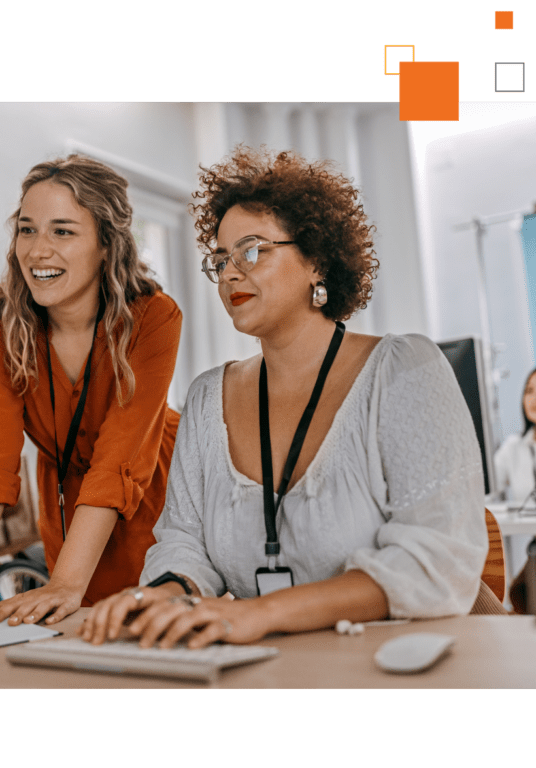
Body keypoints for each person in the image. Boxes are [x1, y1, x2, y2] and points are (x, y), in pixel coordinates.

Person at [81, 146, 489, 648]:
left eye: (251, 251)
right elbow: (184, 543)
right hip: (269, 672)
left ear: (316, 260)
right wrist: (164, 595)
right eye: (221, 259)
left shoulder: (404, 370)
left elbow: (434, 561)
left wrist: (261, 613)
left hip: (405, 668)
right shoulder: (208, 398)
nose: (230, 273)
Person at [0, 155, 182, 626]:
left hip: (152, 495)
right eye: (27, 230)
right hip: (66, 501)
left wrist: (66, 581)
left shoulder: (153, 317)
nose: (38, 251)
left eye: (62, 231)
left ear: (106, 244)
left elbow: (118, 460)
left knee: (141, 639)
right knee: (68, 636)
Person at [494, 368, 536, 506]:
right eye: (529, 391)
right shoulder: (513, 447)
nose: (533, 398)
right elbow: (487, 485)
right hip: (526, 527)